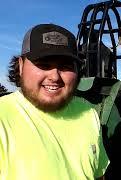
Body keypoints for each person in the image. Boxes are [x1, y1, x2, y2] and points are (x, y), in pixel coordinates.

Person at [0, 24, 109, 179]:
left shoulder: (88, 114)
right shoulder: (3, 116)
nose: (55, 77)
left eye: (65, 66)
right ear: (21, 65)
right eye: (43, 65)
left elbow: (98, 174)